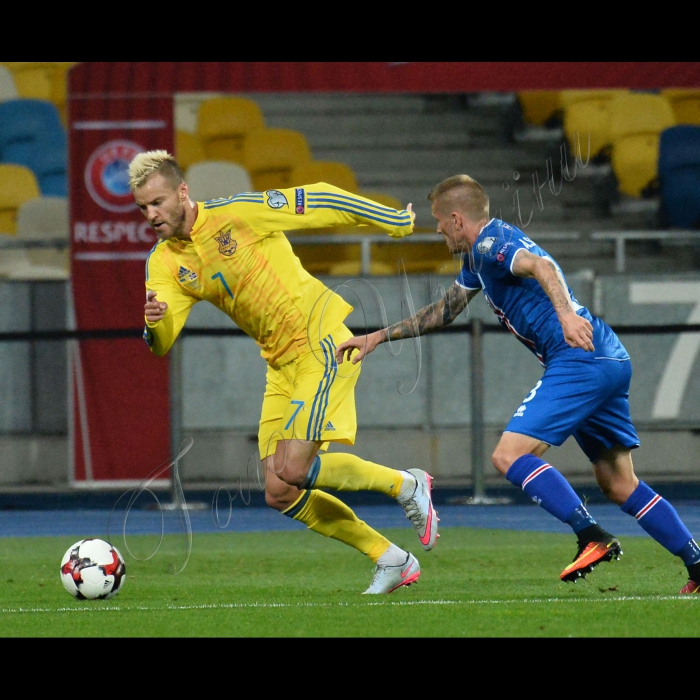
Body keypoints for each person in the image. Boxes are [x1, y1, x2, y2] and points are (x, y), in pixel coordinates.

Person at [336, 173, 700, 595]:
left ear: (456, 219)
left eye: (438, 221)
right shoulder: (476, 259)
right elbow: (445, 311)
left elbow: (541, 266)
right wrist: (377, 336)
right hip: (605, 357)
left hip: (580, 358)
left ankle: (590, 535)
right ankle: (697, 562)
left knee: (509, 455)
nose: (436, 229)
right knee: (619, 483)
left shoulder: (492, 244)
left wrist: (564, 314)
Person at [128, 150, 439, 595]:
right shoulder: (163, 263)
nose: (151, 215)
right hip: (279, 364)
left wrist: (391, 220)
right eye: (143, 208)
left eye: (157, 202)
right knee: (279, 490)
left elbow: (320, 199)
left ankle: (406, 485)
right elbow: (162, 341)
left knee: (292, 468)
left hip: (322, 343)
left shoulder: (237, 214)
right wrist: (153, 323)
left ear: (182, 192)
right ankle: (391, 558)